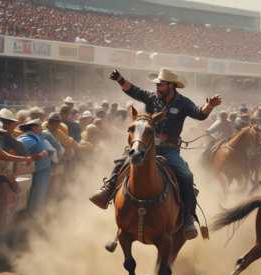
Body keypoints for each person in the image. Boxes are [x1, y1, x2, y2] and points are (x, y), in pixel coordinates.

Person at [90, 68, 221, 239]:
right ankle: (107, 191)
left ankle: (188, 218)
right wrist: (120, 79)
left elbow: (200, 114)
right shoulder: (152, 97)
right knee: (122, 161)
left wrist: (210, 105)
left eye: (161, 84)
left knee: (186, 176)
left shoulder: (183, 103)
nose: (157, 87)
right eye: (157, 84)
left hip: (169, 150)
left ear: (171, 86)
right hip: (146, 145)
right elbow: (134, 91)